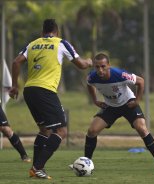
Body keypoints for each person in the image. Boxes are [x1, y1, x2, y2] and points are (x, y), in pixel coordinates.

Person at [9, 19, 93, 179]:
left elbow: (16, 62)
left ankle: (36, 168)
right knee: (61, 131)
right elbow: (81, 64)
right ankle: (37, 167)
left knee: (44, 130)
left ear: (42, 32)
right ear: (57, 31)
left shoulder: (32, 44)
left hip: (29, 90)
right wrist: (89, 61)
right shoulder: (61, 43)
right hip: (45, 90)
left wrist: (14, 86)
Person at [82, 53, 154, 171]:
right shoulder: (92, 77)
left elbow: (141, 81)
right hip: (111, 106)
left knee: (141, 128)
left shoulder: (119, 74)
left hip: (128, 103)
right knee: (92, 131)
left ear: (109, 65)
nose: (100, 70)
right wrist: (95, 100)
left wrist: (137, 101)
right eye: (97, 67)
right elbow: (89, 84)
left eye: (103, 66)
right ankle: (85, 164)